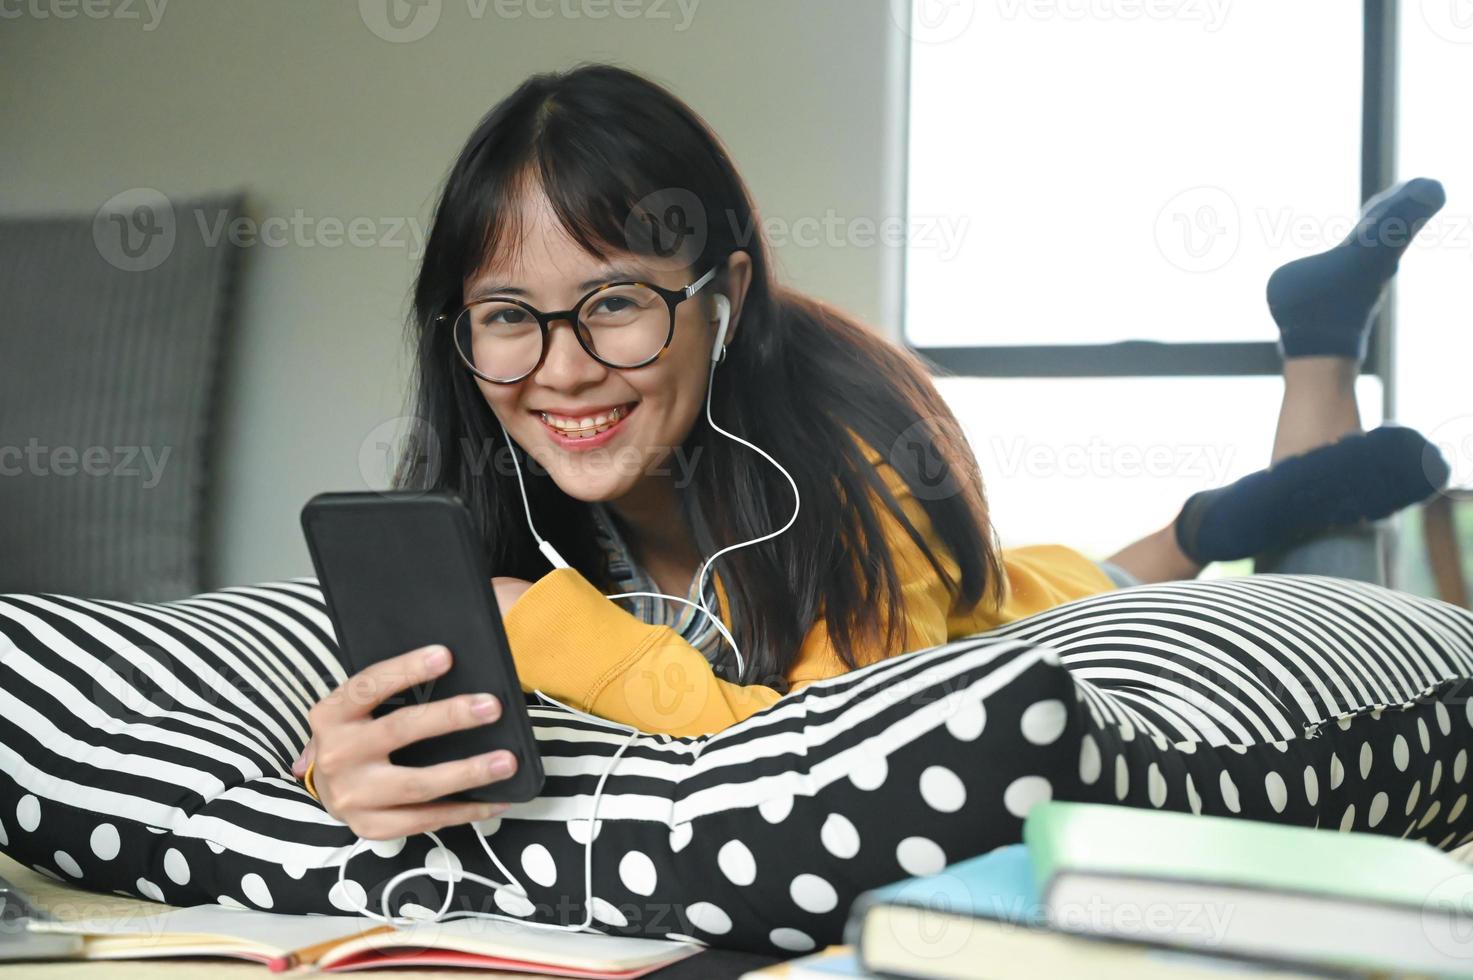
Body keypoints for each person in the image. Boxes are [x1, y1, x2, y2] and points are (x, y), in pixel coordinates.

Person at [295, 63, 1449, 840]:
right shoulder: (480, 491)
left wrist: (547, 621)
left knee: (1309, 592)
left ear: (722, 296)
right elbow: (399, 737)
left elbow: (839, 752)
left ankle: (1314, 360)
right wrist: (346, 766)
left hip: (1017, 616)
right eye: (508, 314)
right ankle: (1209, 519)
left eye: (615, 303)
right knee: (1160, 547)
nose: (561, 369)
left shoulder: (854, 457)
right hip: (1030, 575)